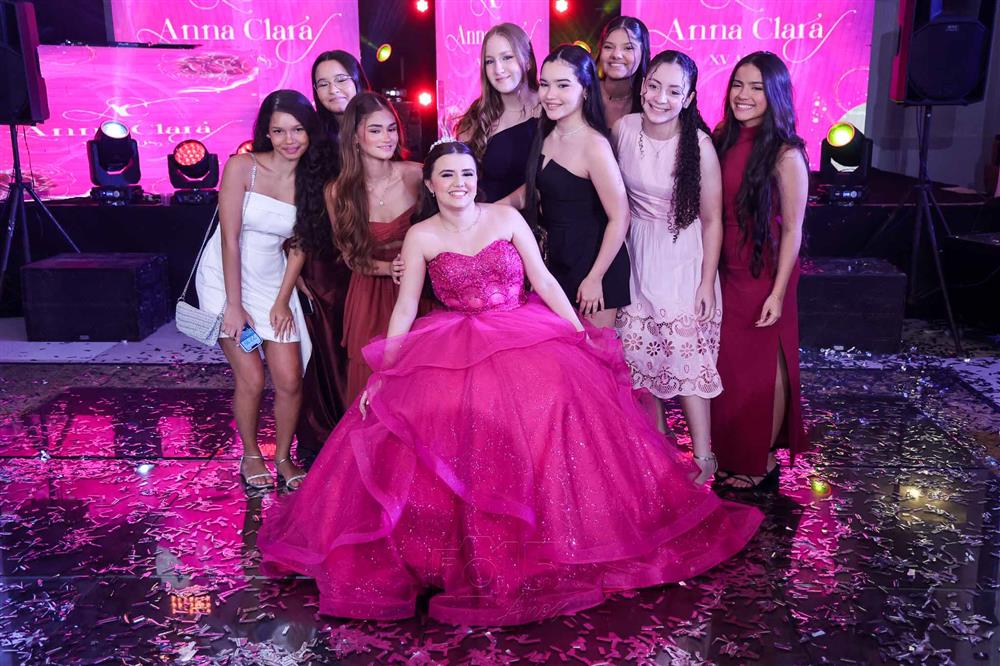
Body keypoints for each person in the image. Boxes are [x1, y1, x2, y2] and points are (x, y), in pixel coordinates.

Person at [258, 140, 763, 626]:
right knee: (451, 432)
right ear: (430, 185)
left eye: (467, 174)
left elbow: (543, 280)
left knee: (555, 416)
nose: (459, 183)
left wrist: (577, 334)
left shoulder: (505, 218)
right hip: (454, 341)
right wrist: (386, 372)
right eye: (447, 176)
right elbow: (406, 307)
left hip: (522, 331)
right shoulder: (422, 236)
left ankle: (566, 534)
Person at [195, 90, 316, 491]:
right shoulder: (242, 166)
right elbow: (229, 238)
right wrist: (234, 305)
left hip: (272, 279)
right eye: (279, 131)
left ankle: (283, 457)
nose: (289, 140)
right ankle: (250, 454)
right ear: (266, 132)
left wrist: (283, 300)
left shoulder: (312, 178)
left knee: (291, 379)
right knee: (251, 377)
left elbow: (300, 244)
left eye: (298, 129)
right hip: (224, 278)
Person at [613, 51, 723, 485]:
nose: (661, 98)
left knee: (684, 355)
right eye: (655, 86)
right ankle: (659, 446)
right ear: (643, 85)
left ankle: (704, 457)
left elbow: (712, 219)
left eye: (674, 91)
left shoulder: (699, 145)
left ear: (688, 97)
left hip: (681, 254)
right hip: (635, 248)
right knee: (639, 355)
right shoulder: (623, 129)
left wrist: (707, 281)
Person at [711, 52, 809, 491]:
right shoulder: (721, 139)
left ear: (775, 95)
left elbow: (793, 229)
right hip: (724, 268)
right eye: (737, 84)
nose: (743, 95)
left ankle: (762, 459)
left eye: (756, 87)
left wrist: (778, 292)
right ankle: (733, 454)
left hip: (765, 271)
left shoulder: (786, 153)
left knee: (764, 366)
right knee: (729, 367)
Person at [501, 44, 631, 329]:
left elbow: (620, 217)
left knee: (594, 352)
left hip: (595, 264)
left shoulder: (594, 145)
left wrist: (595, 278)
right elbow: (536, 190)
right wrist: (486, 212)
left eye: (562, 85)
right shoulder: (547, 133)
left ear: (585, 90)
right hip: (558, 260)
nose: (550, 95)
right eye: (545, 84)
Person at [293, 51, 370, 467]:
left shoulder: (379, 124)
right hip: (326, 261)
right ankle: (331, 437)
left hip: (373, 253)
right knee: (329, 348)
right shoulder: (312, 138)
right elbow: (301, 206)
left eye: (340, 79)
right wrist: (300, 268)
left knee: (370, 344)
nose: (332, 90)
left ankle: (373, 431)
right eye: (322, 84)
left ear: (357, 79)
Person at [328, 92, 425, 403]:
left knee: (419, 380)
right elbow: (351, 257)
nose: (387, 137)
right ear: (355, 137)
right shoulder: (339, 192)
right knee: (373, 381)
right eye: (375, 130)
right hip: (370, 294)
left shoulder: (416, 174)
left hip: (419, 288)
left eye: (391, 128)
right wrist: (388, 268)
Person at [454, 22, 540, 203]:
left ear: (528, 61)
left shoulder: (551, 107)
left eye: (507, 57)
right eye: (490, 61)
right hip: (486, 216)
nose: (498, 69)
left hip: (541, 218)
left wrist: (501, 210)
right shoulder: (476, 117)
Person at [596, 16, 650, 129]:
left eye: (628, 48)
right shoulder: (583, 94)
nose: (616, 55)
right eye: (608, 47)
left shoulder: (651, 102)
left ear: (643, 52)